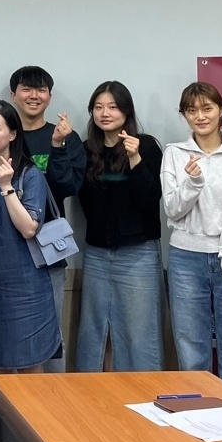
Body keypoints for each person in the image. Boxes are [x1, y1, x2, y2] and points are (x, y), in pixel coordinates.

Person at [160, 82, 222, 385]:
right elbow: (173, 209)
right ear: (184, 115)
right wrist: (192, 183)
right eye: (192, 111)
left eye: (207, 108)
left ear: (221, 110)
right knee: (190, 345)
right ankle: (198, 409)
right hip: (185, 259)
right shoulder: (175, 153)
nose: (200, 116)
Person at [74, 81, 164, 372]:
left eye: (113, 107)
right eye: (98, 107)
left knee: (140, 334)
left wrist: (135, 158)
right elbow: (82, 199)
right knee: (94, 333)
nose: (105, 113)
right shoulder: (87, 150)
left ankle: (144, 393)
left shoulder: (146, 145)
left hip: (138, 253)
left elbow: (150, 199)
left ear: (126, 111)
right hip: (97, 253)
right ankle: (94, 394)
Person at [0, 100, 61, 372]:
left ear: (13, 134)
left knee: (30, 367)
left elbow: (29, 228)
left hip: (25, 288)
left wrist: (6, 187)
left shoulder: (29, 175)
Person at [9, 66, 85, 372]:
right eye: (26, 89)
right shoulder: (1, 134)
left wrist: (57, 146)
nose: (34, 96)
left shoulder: (66, 137)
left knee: (52, 335)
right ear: (13, 95)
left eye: (40, 90)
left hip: (49, 250)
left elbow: (68, 188)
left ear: (50, 97)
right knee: (10, 332)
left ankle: (54, 396)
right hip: (8, 251)